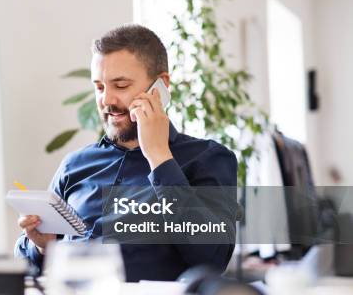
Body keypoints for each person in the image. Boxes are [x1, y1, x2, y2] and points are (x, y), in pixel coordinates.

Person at [14, 24, 237, 281]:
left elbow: (214, 258)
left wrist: (159, 157)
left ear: (160, 87)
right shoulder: (73, 165)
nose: (106, 100)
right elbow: (24, 268)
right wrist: (42, 246)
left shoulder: (207, 158)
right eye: (99, 87)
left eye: (120, 85)